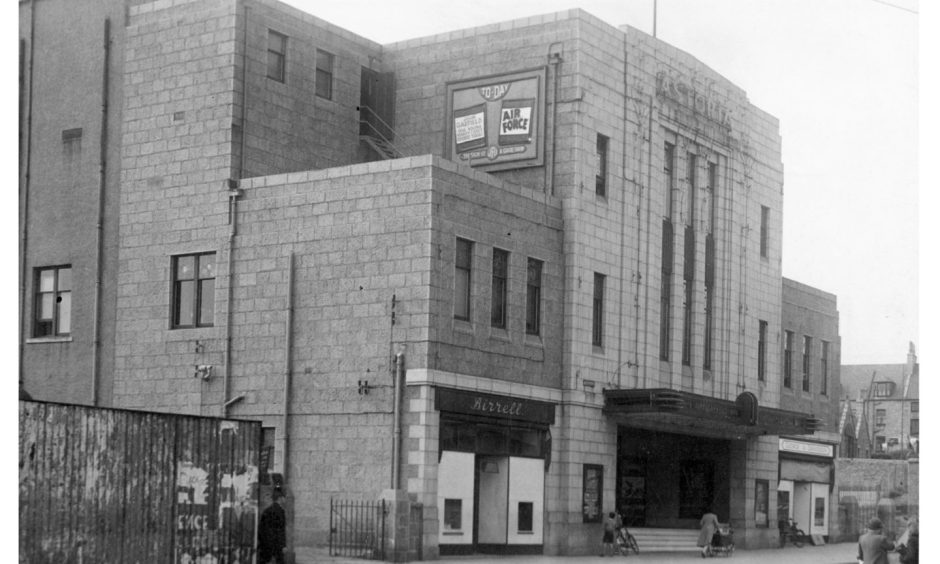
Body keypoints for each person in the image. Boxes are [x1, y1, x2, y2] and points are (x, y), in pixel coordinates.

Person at [258, 489, 287, 564]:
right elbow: (280, 530)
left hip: (266, 544)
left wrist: (262, 542)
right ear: (280, 498)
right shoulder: (281, 511)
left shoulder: (267, 511)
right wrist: (283, 545)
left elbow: (261, 528)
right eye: (284, 497)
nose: (285, 500)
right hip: (276, 544)